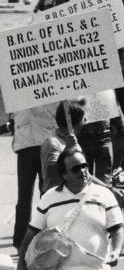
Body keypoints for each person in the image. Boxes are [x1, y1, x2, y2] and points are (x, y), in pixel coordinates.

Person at [17, 148, 124, 270]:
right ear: (64, 174)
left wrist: (116, 251)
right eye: (76, 169)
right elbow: (31, 234)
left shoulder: (104, 194)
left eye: (84, 166)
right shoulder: (49, 198)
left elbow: (118, 229)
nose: (83, 171)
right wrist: (20, 266)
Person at [11, 105, 58, 250]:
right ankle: (47, 237)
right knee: (47, 194)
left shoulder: (14, 90)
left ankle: (21, 241)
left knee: (27, 196)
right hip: (43, 140)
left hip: (29, 143)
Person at [40, 100, 86, 194]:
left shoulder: (75, 144)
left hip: (74, 196)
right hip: (55, 199)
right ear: (75, 122)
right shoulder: (52, 142)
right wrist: (67, 150)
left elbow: (85, 174)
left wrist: (107, 188)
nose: (85, 121)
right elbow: (52, 173)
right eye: (83, 118)